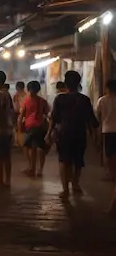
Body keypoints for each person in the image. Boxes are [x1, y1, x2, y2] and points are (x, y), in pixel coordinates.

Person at [48, 71, 99, 200]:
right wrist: (94, 136)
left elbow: (53, 118)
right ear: (79, 83)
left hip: (63, 134)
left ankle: (65, 189)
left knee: (64, 161)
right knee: (78, 161)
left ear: (66, 83)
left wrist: (48, 133)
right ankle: (75, 184)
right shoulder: (84, 99)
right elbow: (92, 121)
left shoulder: (60, 98)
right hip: (80, 134)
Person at [19, 81, 50, 177]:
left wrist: (19, 128)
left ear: (28, 89)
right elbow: (47, 114)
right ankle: (39, 169)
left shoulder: (26, 101)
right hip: (40, 126)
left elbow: (21, 116)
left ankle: (31, 167)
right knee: (40, 149)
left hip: (31, 127)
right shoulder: (42, 101)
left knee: (27, 147)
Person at [94, 79, 116, 215]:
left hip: (107, 131)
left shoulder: (102, 100)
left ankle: (112, 174)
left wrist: (96, 135)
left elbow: (97, 117)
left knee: (110, 156)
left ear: (107, 88)